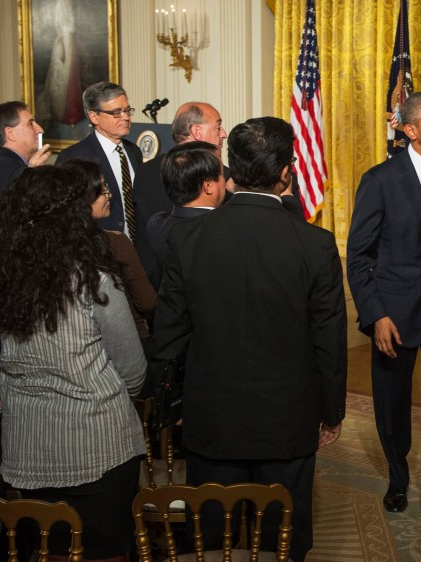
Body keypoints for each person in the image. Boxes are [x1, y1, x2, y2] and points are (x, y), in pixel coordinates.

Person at [148, 117, 346, 560]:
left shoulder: (188, 237)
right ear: (286, 173)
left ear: (230, 171)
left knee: (213, 535)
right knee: (282, 535)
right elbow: (328, 339)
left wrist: (170, 405)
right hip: (288, 418)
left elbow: (169, 333)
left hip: (211, 414)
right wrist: (331, 412)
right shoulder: (316, 244)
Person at [0, 164, 147, 562]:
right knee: (104, 554)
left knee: (49, 553)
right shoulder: (94, 278)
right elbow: (133, 371)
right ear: (73, 215)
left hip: (28, 446)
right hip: (98, 445)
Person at [346, 91, 421, 549]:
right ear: (409, 129)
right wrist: (375, 313)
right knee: (393, 406)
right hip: (394, 315)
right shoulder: (379, 180)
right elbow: (358, 257)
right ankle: (397, 476)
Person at [61, 159, 156, 341]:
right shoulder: (116, 242)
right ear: (84, 197)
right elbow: (147, 302)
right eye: (102, 189)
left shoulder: (49, 242)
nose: (109, 195)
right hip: (126, 340)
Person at [134, 102, 229, 282]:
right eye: (218, 127)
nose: (223, 133)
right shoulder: (219, 177)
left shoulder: (145, 170)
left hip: (154, 286)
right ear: (197, 132)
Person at [56, 82, 143, 237]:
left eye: (127, 110)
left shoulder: (134, 151)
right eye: (117, 112)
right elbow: (67, 214)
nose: (126, 117)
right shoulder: (74, 157)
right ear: (94, 117)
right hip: (99, 245)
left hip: (137, 246)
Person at [146, 141, 227, 290]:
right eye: (222, 174)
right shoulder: (223, 232)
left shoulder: (156, 224)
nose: (225, 181)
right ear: (208, 185)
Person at [0, 101, 51, 206]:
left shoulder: (2, 163)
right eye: (30, 124)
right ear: (10, 134)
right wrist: (35, 177)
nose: (40, 130)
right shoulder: (18, 173)